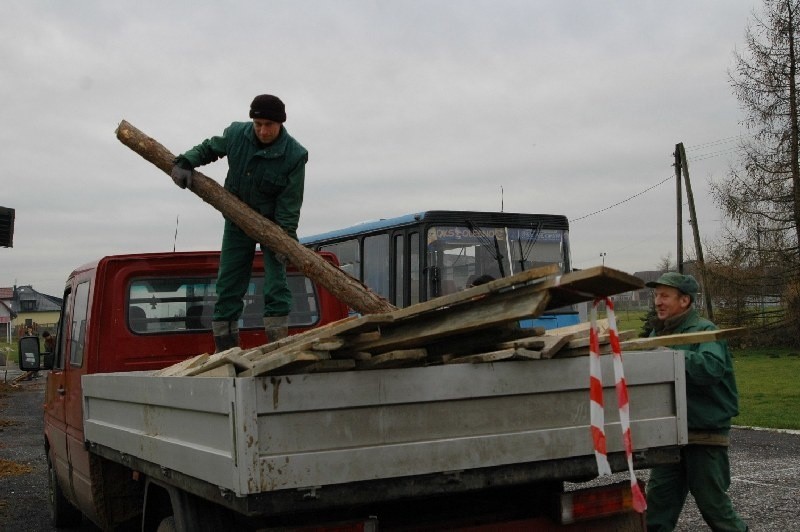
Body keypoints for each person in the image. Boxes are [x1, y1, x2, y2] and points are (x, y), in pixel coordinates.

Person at [170, 94, 308, 352]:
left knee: (276, 285)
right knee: (229, 283)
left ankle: (277, 347)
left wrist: (284, 239)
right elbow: (209, 148)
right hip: (236, 219)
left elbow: (291, 203)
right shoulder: (236, 134)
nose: (263, 130)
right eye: (258, 124)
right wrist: (186, 161)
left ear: (280, 124)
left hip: (274, 225)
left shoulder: (295, 155)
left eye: (269, 125)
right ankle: (227, 348)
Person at [644, 272, 748, 532]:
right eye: (656, 295)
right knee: (656, 508)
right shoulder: (656, 334)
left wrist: (672, 357)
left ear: (685, 301)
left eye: (665, 295)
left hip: (704, 434)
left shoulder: (705, 331)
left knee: (714, 508)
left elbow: (711, 368)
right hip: (668, 436)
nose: (658, 301)